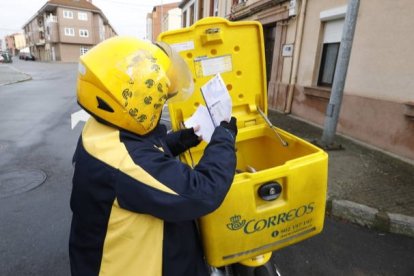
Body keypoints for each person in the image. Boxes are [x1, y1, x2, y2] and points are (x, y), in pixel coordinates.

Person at [69, 36, 238, 276]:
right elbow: (202, 192)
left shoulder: (102, 129)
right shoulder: (122, 163)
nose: (159, 109)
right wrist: (225, 136)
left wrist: (185, 138)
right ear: (130, 104)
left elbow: (144, 150)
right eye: (158, 104)